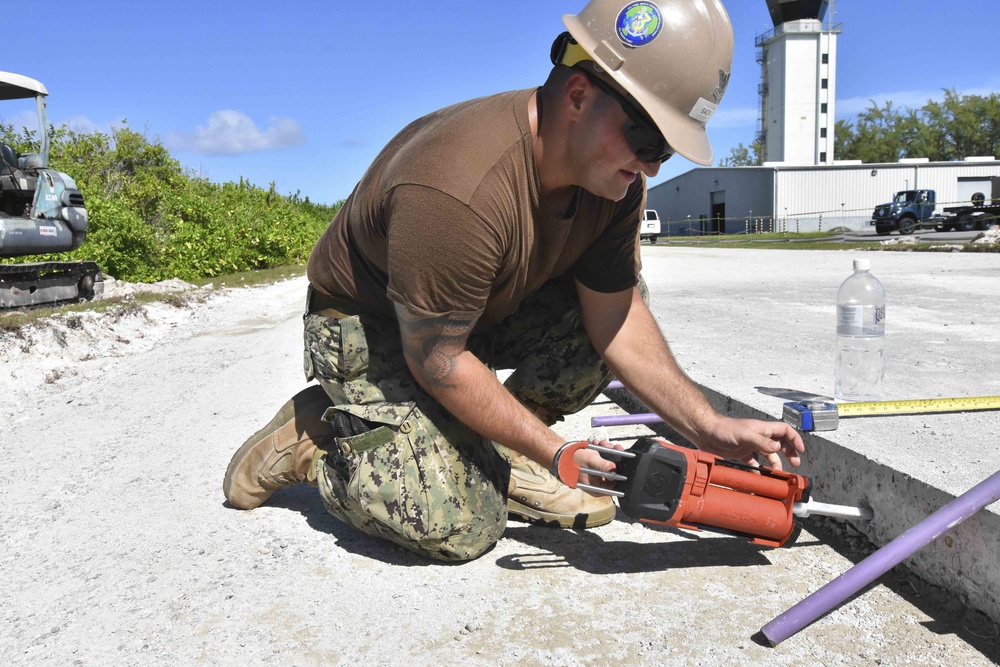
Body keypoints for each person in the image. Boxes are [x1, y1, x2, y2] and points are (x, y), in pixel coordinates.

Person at [223, 0, 805, 562]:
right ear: (579, 95)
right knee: (458, 524)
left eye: (668, 154)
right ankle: (319, 441)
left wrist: (708, 426)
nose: (652, 167)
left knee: (620, 302)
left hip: (468, 317)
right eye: (649, 142)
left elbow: (616, 319)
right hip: (374, 329)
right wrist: (558, 453)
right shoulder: (456, 189)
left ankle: (496, 450)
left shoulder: (614, 184)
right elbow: (440, 362)